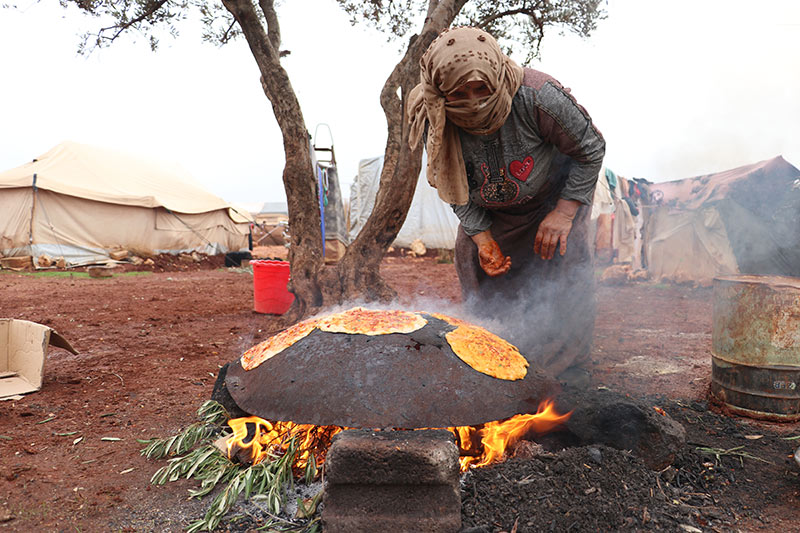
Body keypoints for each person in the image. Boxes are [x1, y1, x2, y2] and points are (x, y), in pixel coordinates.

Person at [406, 27, 605, 384]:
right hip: (491, 214)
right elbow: (454, 186)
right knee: (475, 269)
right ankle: (493, 363)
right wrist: (482, 239)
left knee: (566, 275)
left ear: (497, 75)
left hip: (553, 202)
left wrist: (564, 213)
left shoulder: (539, 96)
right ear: (441, 92)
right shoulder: (431, 113)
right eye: (460, 93)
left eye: (482, 88)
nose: (475, 100)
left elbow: (590, 149)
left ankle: (569, 373)